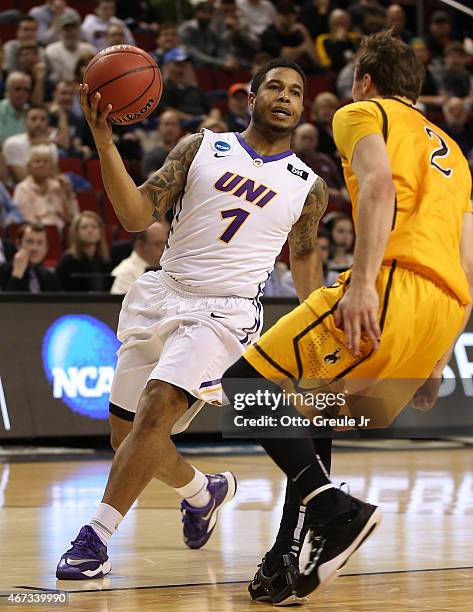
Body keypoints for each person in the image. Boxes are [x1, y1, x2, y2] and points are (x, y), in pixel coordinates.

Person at [222, 30, 472, 603]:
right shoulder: (455, 152)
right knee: (315, 406)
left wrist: (361, 285)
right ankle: (291, 555)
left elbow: (379, 187)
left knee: (244, 387)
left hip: (390, 285)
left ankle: (333, 509)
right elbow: (468, 262)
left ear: (365, 80)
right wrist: (436, 353)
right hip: (443, 312)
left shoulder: (361, 113)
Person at [55, 57, 329, 580]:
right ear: (250, 99)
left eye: (295, 91)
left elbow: (305, 264)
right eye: (274, 86)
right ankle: (202, 493)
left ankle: (95, 538)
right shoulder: (201, 147)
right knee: (127, 438)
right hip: (164, 292)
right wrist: (105, 142)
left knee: (156, 411)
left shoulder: (307, 186)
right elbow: (137, 216)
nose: (286, 97)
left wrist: (314, 341)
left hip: (224, 313)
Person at [13, 145, 79, 231]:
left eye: (46, 161)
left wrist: (69, 193)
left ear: (52, 167)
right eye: (37, 161)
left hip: (64, 233)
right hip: (38, 234)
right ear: (29, 167)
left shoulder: (57, 186)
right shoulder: (22, 189)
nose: (41, 164)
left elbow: (73, 216)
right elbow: (28, 221)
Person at [2, 105, 64, 183]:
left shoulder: (51, 146)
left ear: (47, 123)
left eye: (43, 119)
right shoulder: (13, 144)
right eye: (33, 119)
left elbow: (56, 177)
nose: (38, 123)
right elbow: (23, 180)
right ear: (25, 122)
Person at [56, 210, 112, 291]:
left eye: (94, 226)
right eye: (84, 227)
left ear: (101, 232)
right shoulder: (66, 261)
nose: (90, 230)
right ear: (76, 233)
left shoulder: (105, 259)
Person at [110, 221, 169, 294]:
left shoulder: (168, 267)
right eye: (158, 244)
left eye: (166, 243)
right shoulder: (124, 274)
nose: (164, 248)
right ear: (139, 246)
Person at [0, 222, 60, 291]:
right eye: (30, 242)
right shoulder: (4, 271)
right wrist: (16, 275)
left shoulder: (49, 276)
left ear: (46, 248)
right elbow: (7, 301)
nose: (34, 248)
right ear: (18, 244)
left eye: (40, 243)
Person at [45, 13, 96, 82]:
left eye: (74, 28)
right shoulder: (51, 51)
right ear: (60, 30)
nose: (71, 32)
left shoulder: (89, 50)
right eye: (67, 29)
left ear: (79, 30)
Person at [0, 72, 31, 146]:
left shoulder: (30, 112)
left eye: (26, 90)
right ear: (8, 91)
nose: (22, 94)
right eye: (17, 89)